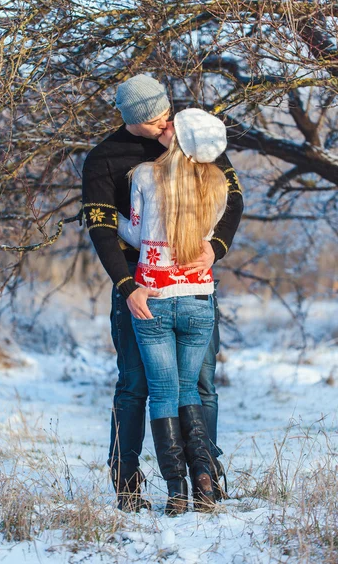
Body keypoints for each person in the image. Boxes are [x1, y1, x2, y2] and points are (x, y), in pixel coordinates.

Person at [82, 74, 243, 512]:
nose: (164, 127)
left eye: (166, 115)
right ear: (132, 120)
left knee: (203, 384)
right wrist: (126, 284)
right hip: (140, 289)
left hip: (192, 280)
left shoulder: (188, 133)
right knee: (135, 385)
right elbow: (99, 228)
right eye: (154, 122)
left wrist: (216, 247)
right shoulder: (104, 159)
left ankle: (207, 474)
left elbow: (233, 197)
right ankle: (127, 481)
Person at [117, 108, 229, 515]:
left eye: (172, 128)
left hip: (155, 299)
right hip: (199, 299)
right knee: (188, 390)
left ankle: (177, 492)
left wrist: (110, 218)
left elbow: (132, 230)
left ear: (179, 142)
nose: (166, 127)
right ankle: (203, 476)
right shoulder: (218, 185)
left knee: (162, 394)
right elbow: (209, 238)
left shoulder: (145, 175)